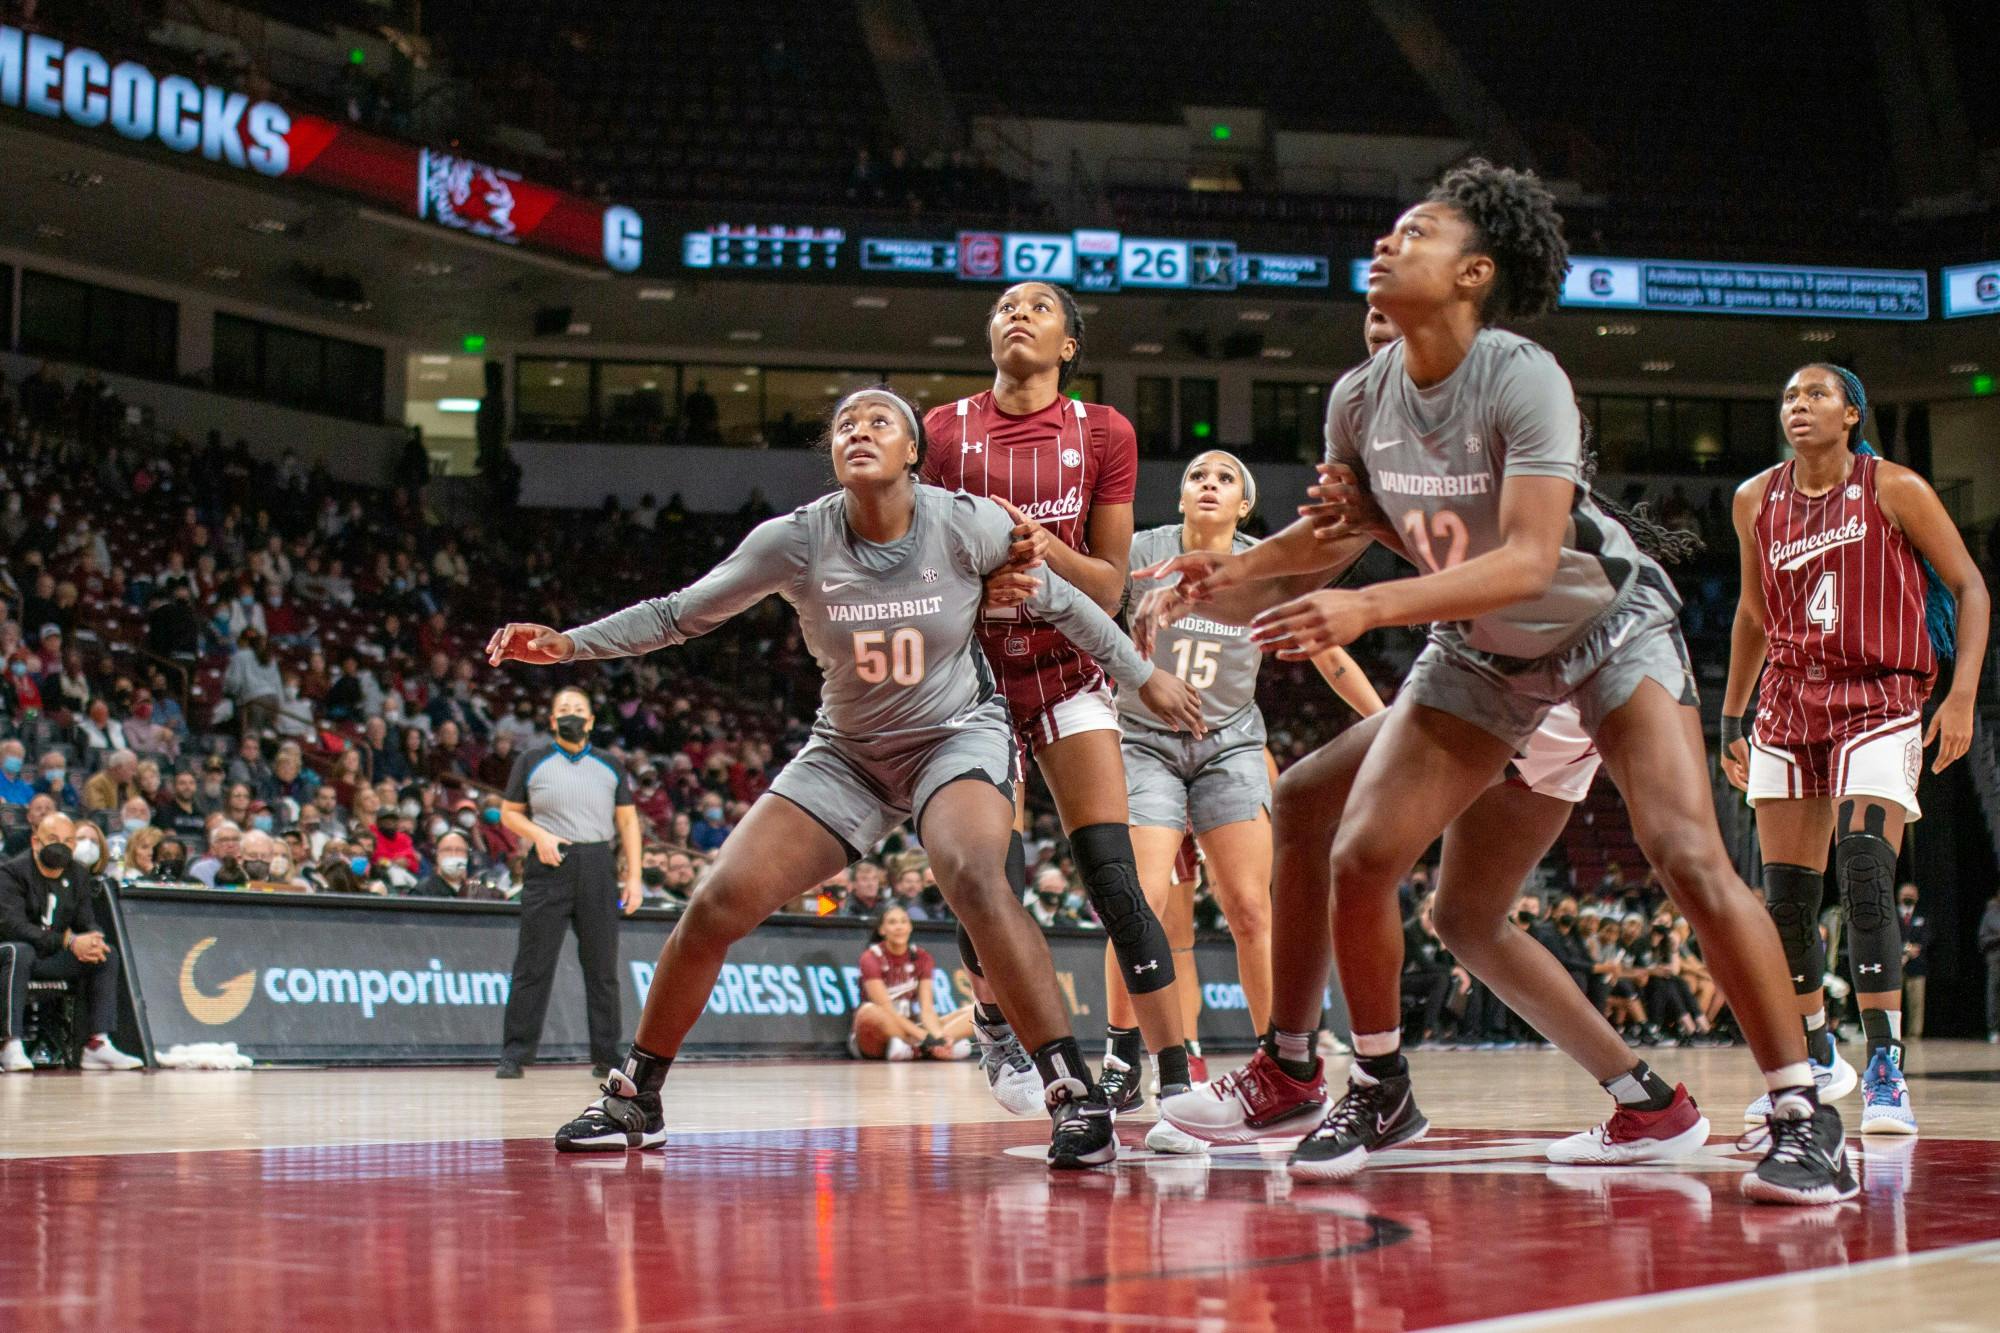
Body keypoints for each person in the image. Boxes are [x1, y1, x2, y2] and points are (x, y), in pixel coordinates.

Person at [1156, 161, 1844, 1203]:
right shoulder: (1357, 395)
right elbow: (1346, 535)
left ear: (1472, 273)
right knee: (1364, 850)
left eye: (1414, 232)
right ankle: (1372, 1079)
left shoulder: (1519, 375)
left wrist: (1367, 610)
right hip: (1481, 649)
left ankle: (1803, 1112)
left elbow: (1525, 561)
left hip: (1601, 625)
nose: (1385, 244)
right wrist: (1234, 570)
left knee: (1684, 852)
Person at [487, 387, 1200, 1166]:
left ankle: (1071, 1091)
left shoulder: (965, 521)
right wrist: (567, 646)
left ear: (913, 453)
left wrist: (1139, 677)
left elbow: (1069, 606)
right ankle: (635, 1095)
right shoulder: (795, 538)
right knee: (716, 899)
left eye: (879, 421)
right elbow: (676, 613)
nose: (859, 431)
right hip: (850, 752)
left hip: (956, 736)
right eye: (844, 425)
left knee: (970, 870)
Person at [1149, 301, 1718, 1166]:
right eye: (1370, 320)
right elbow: (1329, 549)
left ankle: (1336, 1077)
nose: (1383, 326)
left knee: (1339, 828)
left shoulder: (1485, 406)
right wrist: (1223, 578)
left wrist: (1361, 576)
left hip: (1546, 669)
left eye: (1398, 315)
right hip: (1507, 663)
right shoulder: (1385, 423)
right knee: (1463, 915)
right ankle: (1648, 1101)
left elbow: (1501, 560)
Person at [920, 281, 1194, 1117]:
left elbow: (1109, 583)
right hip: (974, 680)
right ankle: (997, 1024)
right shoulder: (941, 431)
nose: (1017, 315)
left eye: (1038, 308)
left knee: (1114, 875)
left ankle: (1178, 1083)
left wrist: (1042, 549)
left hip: (1069, 668)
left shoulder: (1104, 432)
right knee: (981, 873)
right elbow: (918, 559)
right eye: (1004, 306)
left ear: (1069, 345)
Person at [1721, 363, 1986, 1137]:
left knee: (1866, 866)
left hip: (1879, 696)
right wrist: (1734, 714)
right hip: (1788, 700)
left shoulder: (1895, 487)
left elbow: (1970, 585)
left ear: (1853, 414)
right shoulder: (1753, 499)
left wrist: (1962, 694)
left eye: (1815, 395)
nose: (1798, 406)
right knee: (1787, 903)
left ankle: (1885, 1067)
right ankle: (1815, 1057)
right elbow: (1749, 611)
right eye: (1788, 396)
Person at [1108, 449, 1383, 1135]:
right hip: (1142, 739)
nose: (1208, 483)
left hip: (1228, 742)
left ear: (1242, 506)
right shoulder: (1138, 553)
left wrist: (1385, 723)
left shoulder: (1265, 566)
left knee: (1252, 908)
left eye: (1225, 477)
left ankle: (1284, 1064)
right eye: (1197, 475)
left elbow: (1327, 651)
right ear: (1180, 502)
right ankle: (1124, 1056)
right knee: (1140, 895)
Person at [489, 688, 644, 1080]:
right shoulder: (531, 760)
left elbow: (627, 822)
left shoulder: (610, 765)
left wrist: (634, 877)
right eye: (564, 710)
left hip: (597, 863)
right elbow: (509, 814)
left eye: (579, 709)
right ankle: (515, 1054)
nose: (571, 715)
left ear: (590, 720)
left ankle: (607, 1056)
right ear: (553, 721)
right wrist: (539, 835)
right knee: (532, 964)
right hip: (548, 862)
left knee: (602, 968)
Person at [0, 813, 144, 1071]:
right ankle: (9, 1042)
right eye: (53, 839)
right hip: (13, 953)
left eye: (68, 841)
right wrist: (68, 941)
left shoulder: (77, 874)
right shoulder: (11, 872)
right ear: (35, 842)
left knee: (106, 955)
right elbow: (14, 927)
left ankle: (97, 1044)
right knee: (18, 951)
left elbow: (85, 920)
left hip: (50, 954)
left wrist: (94, 938)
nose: (61, 846)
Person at [849, 905, 974, 1060]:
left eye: (903, 921)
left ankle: (937, 1045)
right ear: (882, 930)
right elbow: (886, 1008)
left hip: (910, 1029)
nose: (899, 927)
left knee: (974, 1011)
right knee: (868, 1011)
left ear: (910, 927)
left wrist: (937, 1037)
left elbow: (927, 1009)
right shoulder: (871, 958)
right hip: (880, 1032)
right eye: (892, 922)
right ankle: (923, 1047)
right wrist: (924, 1037)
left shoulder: (922, 957)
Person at [1896, 885, 1929, 1039]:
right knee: (1895, 1002)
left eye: (1911, 894)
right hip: (1896, 965)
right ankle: (1895, 1033)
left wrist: (1916, 948)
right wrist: (1904, 948)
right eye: (1905, 894)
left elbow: (1928, 936)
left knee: (1916, 1002)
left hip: (1917, 965)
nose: (1908, 897)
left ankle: (1915, 1033)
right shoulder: (1892, 915)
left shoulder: (1922, 916)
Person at [1981, 889, 2000, 1044]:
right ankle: (1993, 1029)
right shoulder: (1991, 914)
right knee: (1994, 995)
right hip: (1996, 960)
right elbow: (1983, 939)